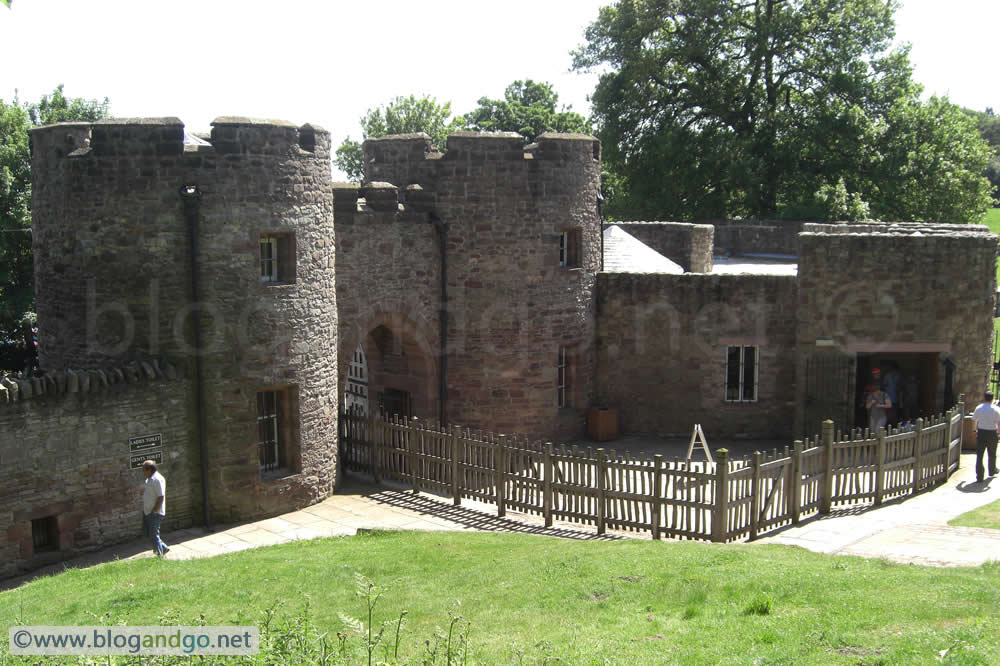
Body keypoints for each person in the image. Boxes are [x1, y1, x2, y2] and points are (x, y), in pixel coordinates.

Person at [141, 460, 169, 557]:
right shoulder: (150, 479)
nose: (143, 472)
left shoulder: (157, 479)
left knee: (154, 535)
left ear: (149, 470)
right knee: (149, 534)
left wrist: (154, 510)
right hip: (148, 511)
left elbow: (161, 496)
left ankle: (159, 556)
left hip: (155, 513)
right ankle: (164, 548)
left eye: (144, 470)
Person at [971, 391, 1000, 483]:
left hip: (982, 432)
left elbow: (974, 420)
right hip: (992, 432)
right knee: (992, 453)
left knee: (980, 455)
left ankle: (979, 475)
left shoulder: (979, 408)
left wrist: (974, 430)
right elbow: (999, 423)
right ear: (992, 398)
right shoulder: (996, 409)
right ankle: (992, 470)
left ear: (984, 397)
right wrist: (999, 433)